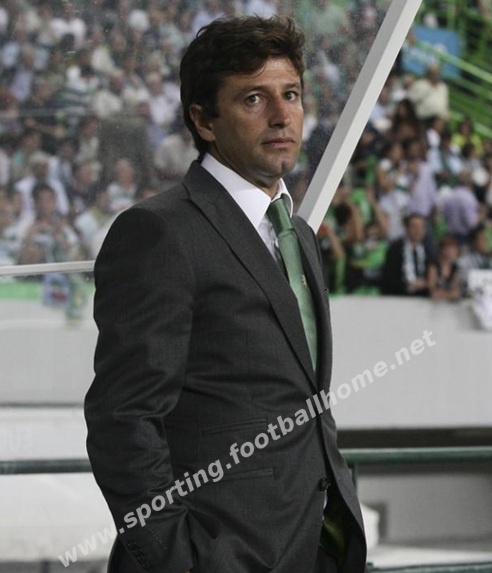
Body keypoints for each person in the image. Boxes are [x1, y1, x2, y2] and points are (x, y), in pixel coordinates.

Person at [84, 16, 367, 573]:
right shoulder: (160, 232)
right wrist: (179, 559)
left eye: (291, 95)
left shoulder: (297, 233)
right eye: (254, 99)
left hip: (314, 548)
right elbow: (123, 419)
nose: (282, 115)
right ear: (203, 120)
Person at [381, 213, 436, 296]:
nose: (418, 231)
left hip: (422, 296)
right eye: (414, 227)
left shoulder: (428, 249)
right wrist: (408, 285)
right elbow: (389, 276)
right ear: (406, 228)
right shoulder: (396, 248)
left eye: (421, 227)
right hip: (399, 295)